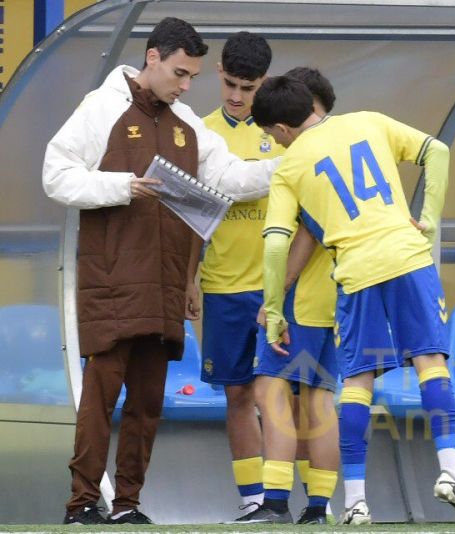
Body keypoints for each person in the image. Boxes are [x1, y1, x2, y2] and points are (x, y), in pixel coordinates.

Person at [42, 17, 279, 525]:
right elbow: (55, 174)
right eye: (180, 73)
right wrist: (121, 185)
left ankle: (128, 505)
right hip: (111, 281)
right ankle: (81, 503)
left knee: (148, 403)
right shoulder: (100, 107)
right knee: (100, 394)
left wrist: (290, 167)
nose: (186, 86)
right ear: (152, 58)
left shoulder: (186, 122)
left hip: (165, 284)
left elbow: (231, 178)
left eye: (193, 76)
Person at [251, 76, 455, 525]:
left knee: (358, 381)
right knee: (430, 362)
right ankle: (451, 472)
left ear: (281, 128)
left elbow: (277, 243)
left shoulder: (288, 166)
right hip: (407, 256)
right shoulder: (369, 121)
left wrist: (275, 309)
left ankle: (356, 502)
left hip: (355, 272)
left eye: (270, 134)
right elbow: (437, 151)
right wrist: (429, 220)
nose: (275, 141)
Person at [196, 31, 284, 523]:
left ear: (263, 83)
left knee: (282, 393)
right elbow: (188, 216)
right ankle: (253, 498)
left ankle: (296, 499)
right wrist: (188, 280)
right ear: (219, 73)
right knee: (238, 393)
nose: (236, 95)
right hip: (223, 286)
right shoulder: (199, 132)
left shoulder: (282, 130)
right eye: (230, 84)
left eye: (247, 88)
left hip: (276, 288)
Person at [250, 67, 340, 525]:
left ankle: (275, 503)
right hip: (338, 296)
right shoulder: (348, 144)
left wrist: (276, 296)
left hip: (302, 296)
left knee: (271, 390)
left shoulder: (303, 157)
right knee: (319, 399)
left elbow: (303, 228)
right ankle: (319, 508)